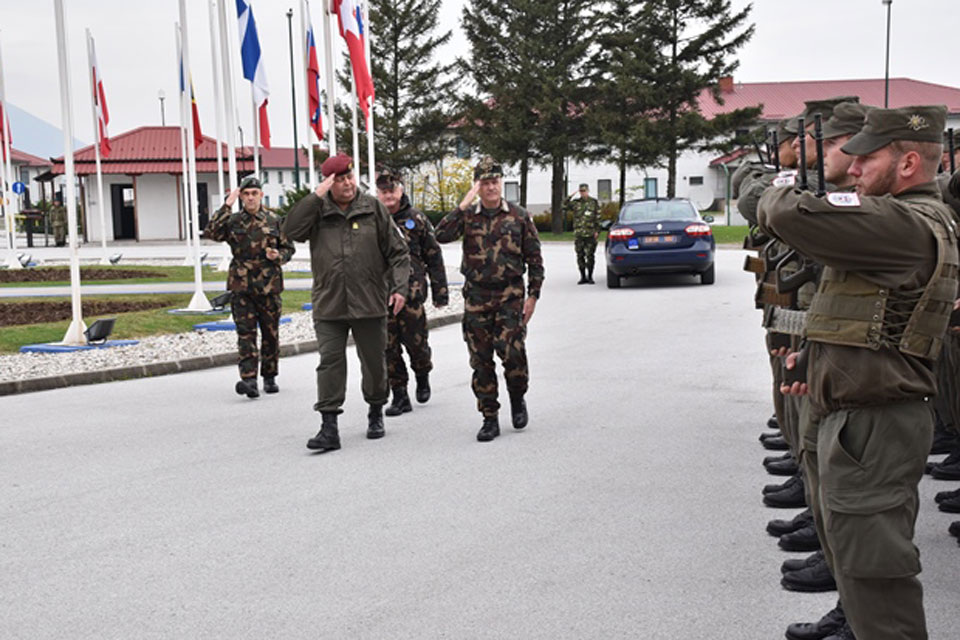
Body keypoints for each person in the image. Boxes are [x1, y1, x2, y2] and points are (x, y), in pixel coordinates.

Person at [759, 105, 958, 640]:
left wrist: (783, 185)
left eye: (867, 158)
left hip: (876, 426)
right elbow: (874, 321)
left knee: (878, 582)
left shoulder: (905, 222)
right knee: (855, 562)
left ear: (910, 162)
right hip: (861, 418)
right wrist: (820, 357)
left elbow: (784, 214)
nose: (853, 167)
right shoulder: (896, 217)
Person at [283, 153, 410, 451]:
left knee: (375, 364)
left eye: (350, 176)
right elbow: (290, 231)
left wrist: (399, 288)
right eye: (340, 180)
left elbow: (398, 252)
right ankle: (329, 427)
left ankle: (376, 410)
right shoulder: (318, 211)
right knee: (330, 363)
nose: (348, 183)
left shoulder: (372, 208)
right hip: (330, 303)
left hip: (369, 302)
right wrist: (315, 197)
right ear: (328, 183)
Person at [435, 156, 544, 442]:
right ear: (478, 186)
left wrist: (533, 296)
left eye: (494, 181)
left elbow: (535, 258)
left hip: (510, 296)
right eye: (485, 183)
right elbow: (440, 234)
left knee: (513, 353)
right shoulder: (469, 216)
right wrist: (463, 203)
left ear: (501, 183)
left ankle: (517, 397)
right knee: (480, 360)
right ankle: (489, 417)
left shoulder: (519, 216)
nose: (491, 187)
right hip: (477, 297)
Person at [204, 175, 295, 398]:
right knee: (245, 334)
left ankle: (270, 375)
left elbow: (289, 249)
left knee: (270, 333)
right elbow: (212, 232)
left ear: (261, 195)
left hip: (268, 284)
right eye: (246, 194)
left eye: (254, 193)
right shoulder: (233, 221)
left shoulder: (275, 220)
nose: (251, 198)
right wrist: (227, 204)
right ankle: (249, 379)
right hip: (241, 285)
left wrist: (278, 256)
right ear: (241, 197)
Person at [374, 167, 449, 417]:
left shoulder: (416, 219)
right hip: (381, 295)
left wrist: (441, 291)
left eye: (392, 190)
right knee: (388, 348)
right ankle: (400, 395)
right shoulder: (373, 220)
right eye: (383, 192)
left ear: (401, 189)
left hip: (412, 293)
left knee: (417, 344)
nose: (388, 196)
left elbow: (434, 256)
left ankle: (422, 373)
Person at [564, 183, 601, 284]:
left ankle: (590, 276)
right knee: (580, 255)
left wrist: (597, 231)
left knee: (590, 256)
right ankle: (582, 276)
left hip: (590, 233)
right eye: (581, 191)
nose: (583, 193)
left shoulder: (593, 202)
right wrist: (570, 196)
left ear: (588, 191)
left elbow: (598, 217)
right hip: (579, 234)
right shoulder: (576, 203)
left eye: (584, 191)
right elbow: (563, 205)